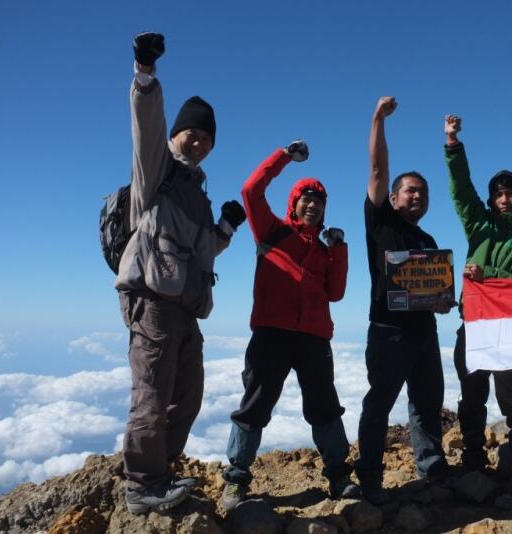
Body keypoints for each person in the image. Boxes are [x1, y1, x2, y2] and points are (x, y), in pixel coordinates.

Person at [115, 32, 247, 514]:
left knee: (187, 395)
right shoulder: (158, 170)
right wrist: (145, 76)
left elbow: (202, 250)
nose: (199, 140)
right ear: (176, 134)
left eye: (207, 136)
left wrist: (227, 226)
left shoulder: (195, 189)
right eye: (192, 132)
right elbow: (145, 128)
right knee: (151, 394)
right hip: (152, 302)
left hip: (186, 309)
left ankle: (159, 469)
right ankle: (142, 486)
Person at [221, 140, 358, 511]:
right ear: (294, 203)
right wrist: (284, 157)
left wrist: (340, 250)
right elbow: (251, 189)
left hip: (314, 337)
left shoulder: (325, 249)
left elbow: (337, 293)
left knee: (325, 406)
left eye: (319, 201)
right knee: (255, 404)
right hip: (272, 332)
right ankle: (235, 479)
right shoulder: (271, 230)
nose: (313, 205)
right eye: (306, 198)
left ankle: (339, 475)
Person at [354, 97, 455, 505]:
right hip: (387, 331)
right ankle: (370, 475)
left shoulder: (427, 242)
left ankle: (431, 469)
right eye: (411, 190)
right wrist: (377, 119)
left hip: (423, 332)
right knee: (379, 402)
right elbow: (378, 168)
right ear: (393, 197)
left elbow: (431, 291)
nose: (418, 196)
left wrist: (443, 302)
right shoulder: (381, 221)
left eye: (423, 193)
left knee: (428, 402)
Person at [443, 115, 512, 478]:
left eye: (510, 193)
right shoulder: (480, 224)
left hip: (510, 330)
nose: (504, 199)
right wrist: (453, 144)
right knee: (471, 398)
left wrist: (488, 275)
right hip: (473, 325)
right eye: (498, 194)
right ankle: (473, 459)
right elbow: (461, 189)